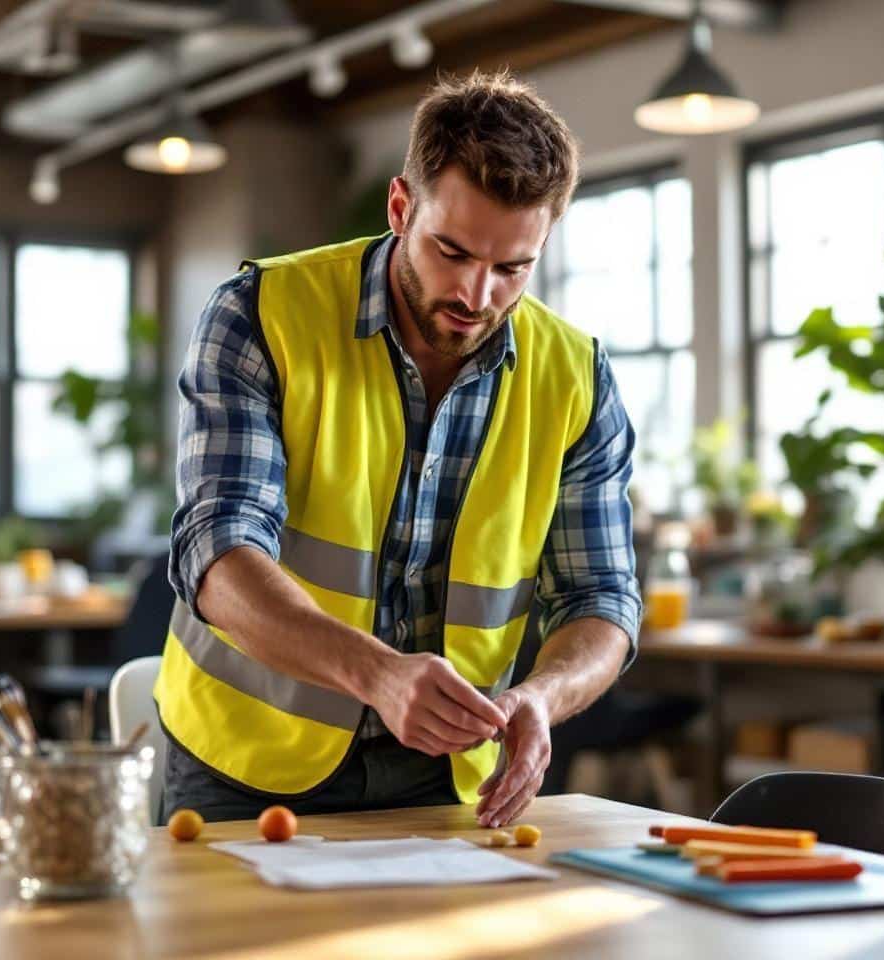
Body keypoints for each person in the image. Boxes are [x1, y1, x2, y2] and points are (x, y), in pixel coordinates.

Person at [157, 70, 640, 828]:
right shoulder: (262, 316)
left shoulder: (576, 374)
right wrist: (379, 676)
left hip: (452, 778)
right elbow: (218, 554)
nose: (477, 296)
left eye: (512, 267)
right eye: (452, 252)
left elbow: (602, 599)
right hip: (244, 767)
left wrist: (540, 699)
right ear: (399, 207)